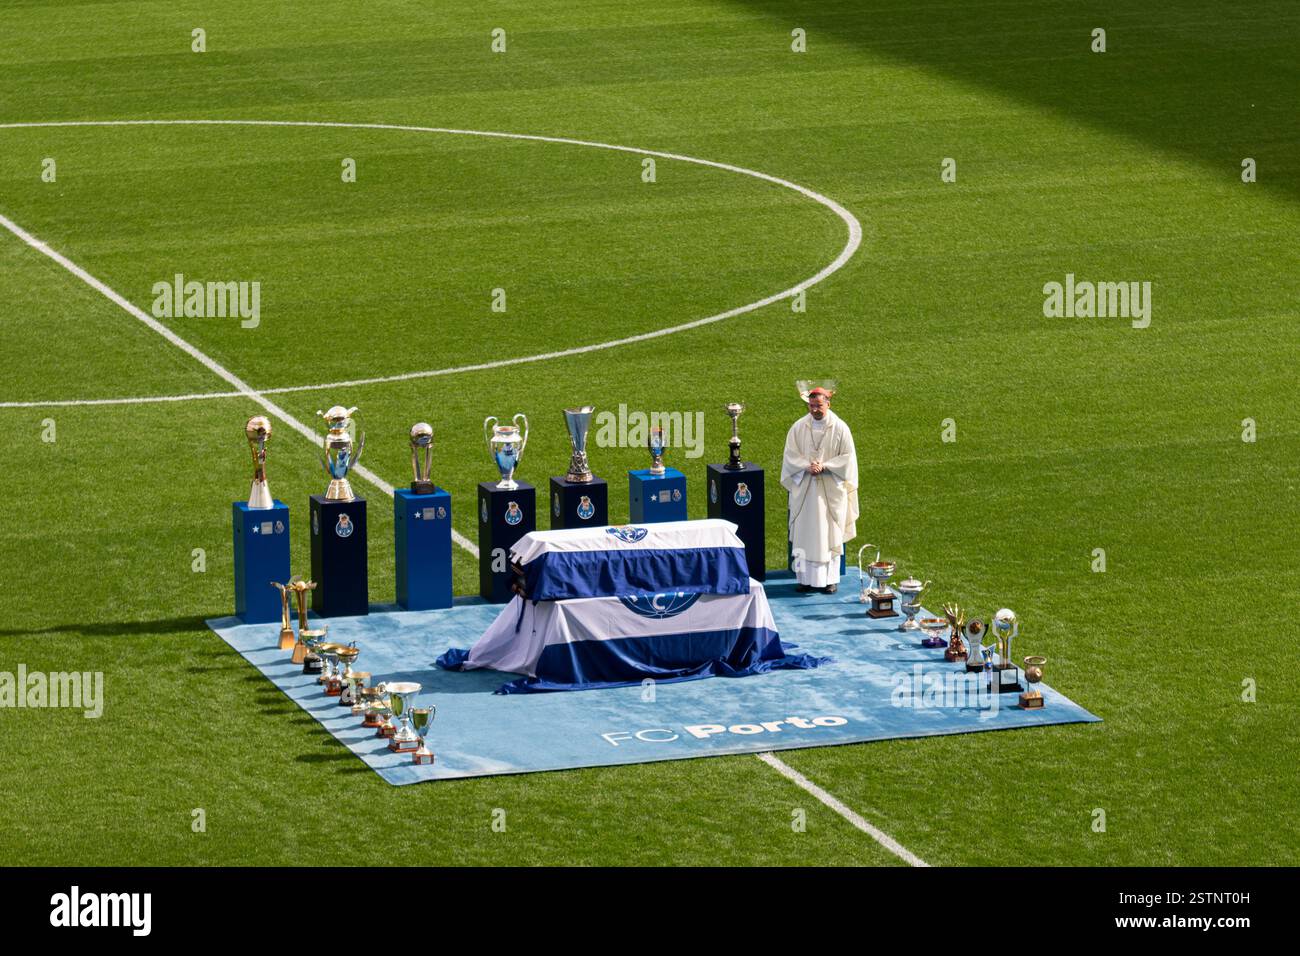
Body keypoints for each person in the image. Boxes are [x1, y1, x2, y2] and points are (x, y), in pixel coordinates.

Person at [780, 385, 859, 593]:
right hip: (805, 489)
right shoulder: (798, 427)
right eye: (812, 406)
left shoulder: (840, 428)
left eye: (819, 406)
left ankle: (830, 580)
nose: (815, 409)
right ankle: (804, 579)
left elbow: (848, 459)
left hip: (830, 490)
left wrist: (825, 467)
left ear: (828, 404)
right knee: (806, 533)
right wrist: (806, 466)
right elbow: (790, 456)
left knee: (829, 533)